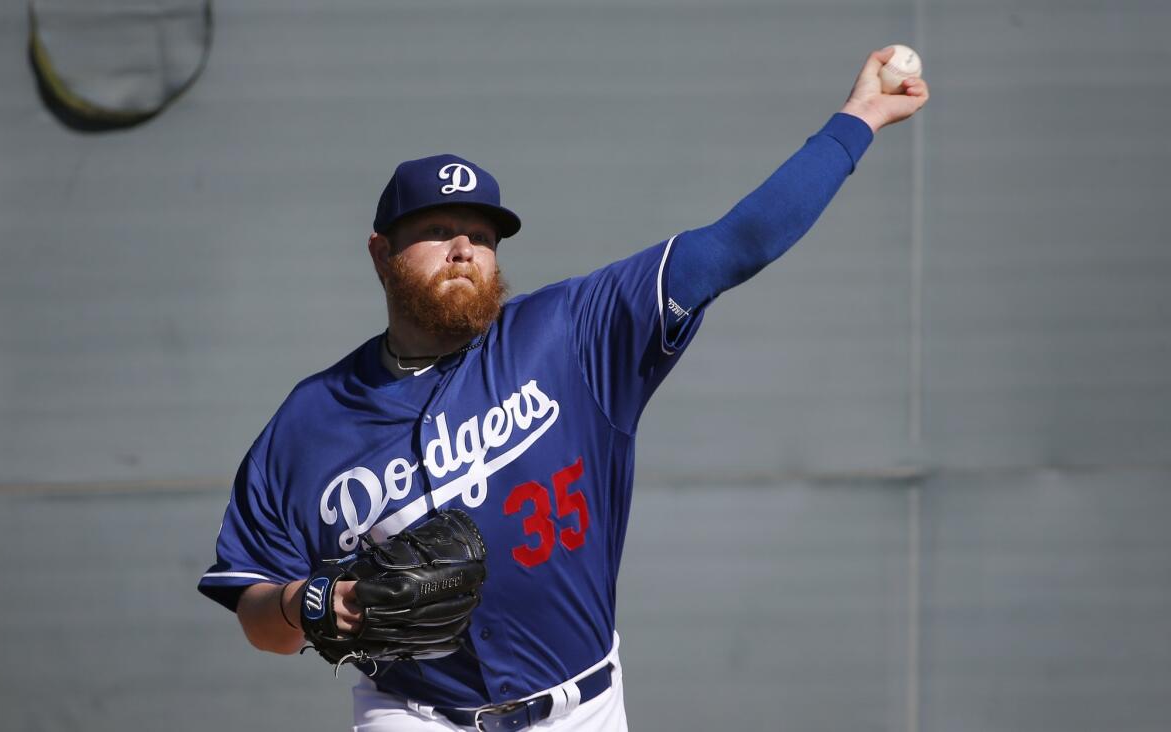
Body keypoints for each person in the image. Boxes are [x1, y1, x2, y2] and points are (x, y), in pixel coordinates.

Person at [198, 47, 929, 731]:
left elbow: (737, 242)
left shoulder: (575, 334)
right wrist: (314, 603)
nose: (464, 248)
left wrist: (856, 121)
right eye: (439, 228)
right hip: (412, 713)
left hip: (581, 709)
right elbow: (257, 614)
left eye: (482, 236)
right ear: (380, 253)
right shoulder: (309, 421)